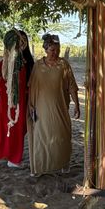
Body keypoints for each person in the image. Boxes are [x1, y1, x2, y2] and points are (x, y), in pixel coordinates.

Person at [27, 33, 80, 176]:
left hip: (60, 109)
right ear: (45, 49)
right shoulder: (38, 66)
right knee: (41, 137)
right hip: (41, 109)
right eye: (52, 50)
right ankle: (40, 167)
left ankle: (63, 163)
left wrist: (77, 104)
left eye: (58, 49)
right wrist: (31, 105)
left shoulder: (64, 65)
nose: (55, 53)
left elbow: (72, 86)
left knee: (62, 136)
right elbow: (32, 87)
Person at [0, 29, 34, 168]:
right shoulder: (8, 60)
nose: (22, 43)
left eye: (24, 41)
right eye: (19, 41)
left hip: (23, 101)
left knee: (20, 129)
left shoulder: (27, 61)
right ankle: (13, 159)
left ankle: (11, 155)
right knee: (8, 128)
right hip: (9, 102)